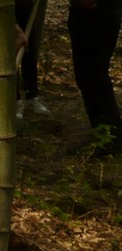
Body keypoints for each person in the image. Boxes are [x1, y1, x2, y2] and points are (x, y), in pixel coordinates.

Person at [68, 0, 122, 153]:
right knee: (90, 74)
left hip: (95, 13)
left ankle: (109, 137)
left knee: (92, 74)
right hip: (96, 12)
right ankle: (106, 132)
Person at [15, 0, 50, 121]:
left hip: (25, 6)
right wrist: (15, 27)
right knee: (11, 52)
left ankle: (31, 96)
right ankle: (15, 100)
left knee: (29, 49)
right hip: (5, 9)